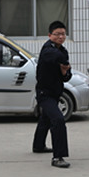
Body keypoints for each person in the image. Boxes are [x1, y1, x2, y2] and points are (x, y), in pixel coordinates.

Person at [32, 20, 72, 168]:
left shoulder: (63, 51)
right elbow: (57, 57)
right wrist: (64, 63)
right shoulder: (47, 49)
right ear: (50, 35)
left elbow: (67, 76)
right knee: (58, 120)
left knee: (46, 119)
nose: (61, 37)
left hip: (56, 92)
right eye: (57, 34)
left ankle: (38, 146)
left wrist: (64, 72)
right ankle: (58, 157)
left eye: (63, 34)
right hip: (44, 93)